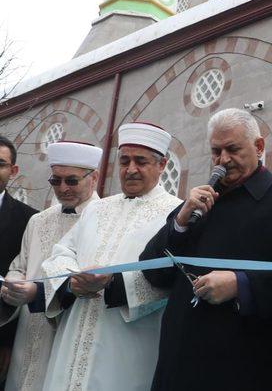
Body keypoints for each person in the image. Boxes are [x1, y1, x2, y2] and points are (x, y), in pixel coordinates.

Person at [140, 108, 272, 391]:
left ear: (259, 147)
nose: (223, 161)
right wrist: (180, 222)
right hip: (178, 364)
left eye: (233, 149)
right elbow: (152, 272)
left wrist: (241, 284)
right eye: (216, 151)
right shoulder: (196, 205)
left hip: (245, 364)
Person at [40, 123, 181, 391]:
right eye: (124, 160)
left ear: (161, 165)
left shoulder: (175, 213)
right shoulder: (96, 209)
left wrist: (112, 284)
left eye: (141, 161)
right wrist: (71, 281)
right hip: (74, 334)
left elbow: (172, 277)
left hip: (130, 343)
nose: (130, 169)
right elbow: (61, 252)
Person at [0, 141, 101, 391]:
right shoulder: (38, 220)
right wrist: (13, 285)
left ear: (94, 178)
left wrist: (40, 293)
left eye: (72, 180)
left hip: (67, 334)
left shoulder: (104, 219)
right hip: (26, 333)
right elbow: (19, 264)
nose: (63, 188)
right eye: (56, 181)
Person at [0, 135, 37, 389]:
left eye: (0, 163)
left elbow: (23, 277)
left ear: (13, 170)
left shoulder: (29, 221)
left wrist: (6, 343)